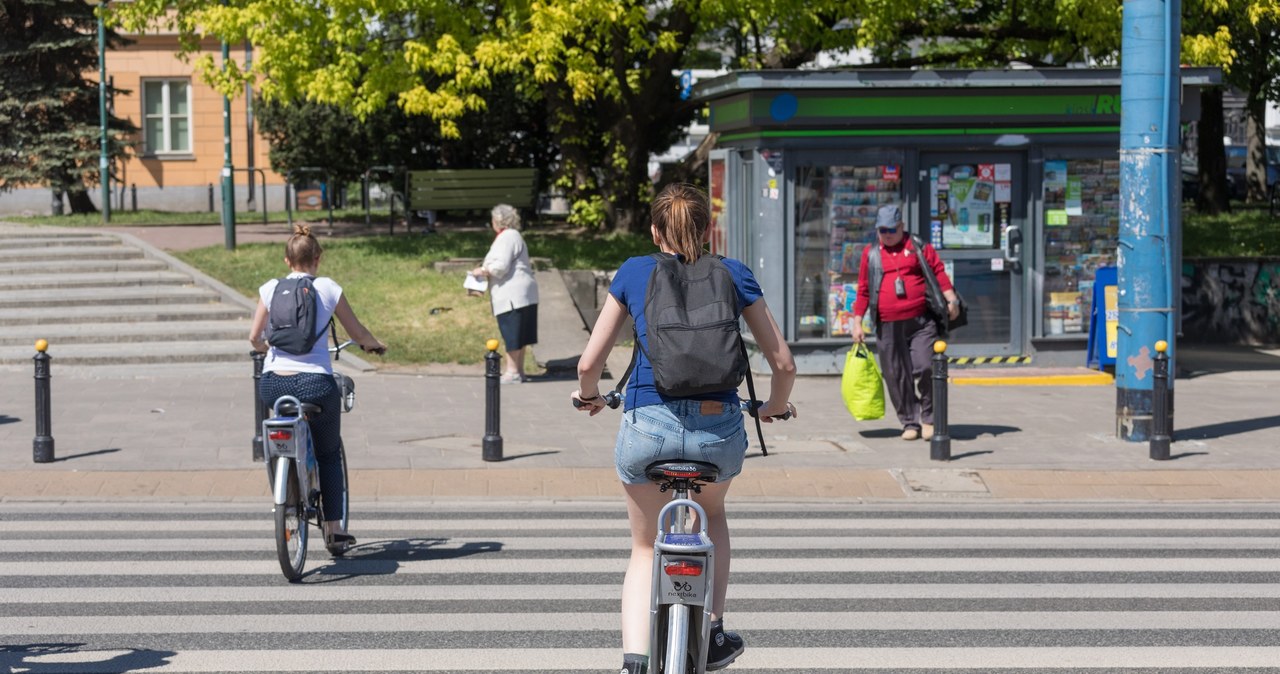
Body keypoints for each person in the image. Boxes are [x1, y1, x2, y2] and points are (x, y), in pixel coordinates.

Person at [572, 183, 797, 674]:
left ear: (656, 231)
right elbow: (783, 365)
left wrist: (589, 395)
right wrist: (772, 408)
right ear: (706, 229)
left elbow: (590, 363)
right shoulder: (734, 274)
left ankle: (635, 661)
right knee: (712, 514)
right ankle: (713, 632)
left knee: (644, 546)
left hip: (647, 431)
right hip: (718, 433)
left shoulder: (634, 272)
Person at [249, 224, 386, 547]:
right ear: (318, 258)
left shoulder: (270, 288)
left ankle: (286, 487)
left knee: (280, 428)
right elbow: (357, 331)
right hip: (315, 386)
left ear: (287, 261)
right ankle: (334, 530)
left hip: (273, 385)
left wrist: (268, 352)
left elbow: (255, 338)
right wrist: (373, 345)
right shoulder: (328, 289)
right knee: (328, 452)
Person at [850, 204, 960, 441]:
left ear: (902, 226)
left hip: (921, 321)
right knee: (896, 374)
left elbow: (938, 272)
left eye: (891, 229)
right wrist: (857, 322)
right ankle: (910, 422)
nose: (887, 234)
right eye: (882, 230)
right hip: (887, 324)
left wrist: (951, 299)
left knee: (927, 365)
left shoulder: (918, 246)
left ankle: (929, 418)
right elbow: (864, 289)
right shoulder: (872, 254)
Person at [470, 204, 539, 383]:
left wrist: (482, 270)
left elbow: (500, 266)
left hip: (512, 296)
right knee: (520, 336)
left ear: (497, 220)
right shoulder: (513, 236)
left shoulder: (507, 237)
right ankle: (519, 371)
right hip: (523, 294)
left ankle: (512, 372)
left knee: (512, 334)